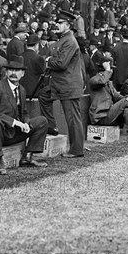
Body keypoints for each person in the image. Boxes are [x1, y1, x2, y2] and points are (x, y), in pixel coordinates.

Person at [0, 55, 49, 175]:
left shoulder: (22, 90)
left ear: (23, 73)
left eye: (17, 70)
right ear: (6, 71)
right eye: (10, 70)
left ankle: (27, 157)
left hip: (11, 133)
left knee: (42, 121)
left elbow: (24, 112)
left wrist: (25, 122)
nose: (13, 73)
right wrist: (16, 122)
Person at [45, 9, 85, 158]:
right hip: (63, 85)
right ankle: (75, 148)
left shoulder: (69, 40)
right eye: (57, 22)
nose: (57, 24)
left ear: (68, 25)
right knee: (72, 118)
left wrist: (49, 61)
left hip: (68, 85)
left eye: (60, 22)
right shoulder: (64, 39)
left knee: (73, 119)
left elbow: (61, 64)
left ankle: (76, 150)